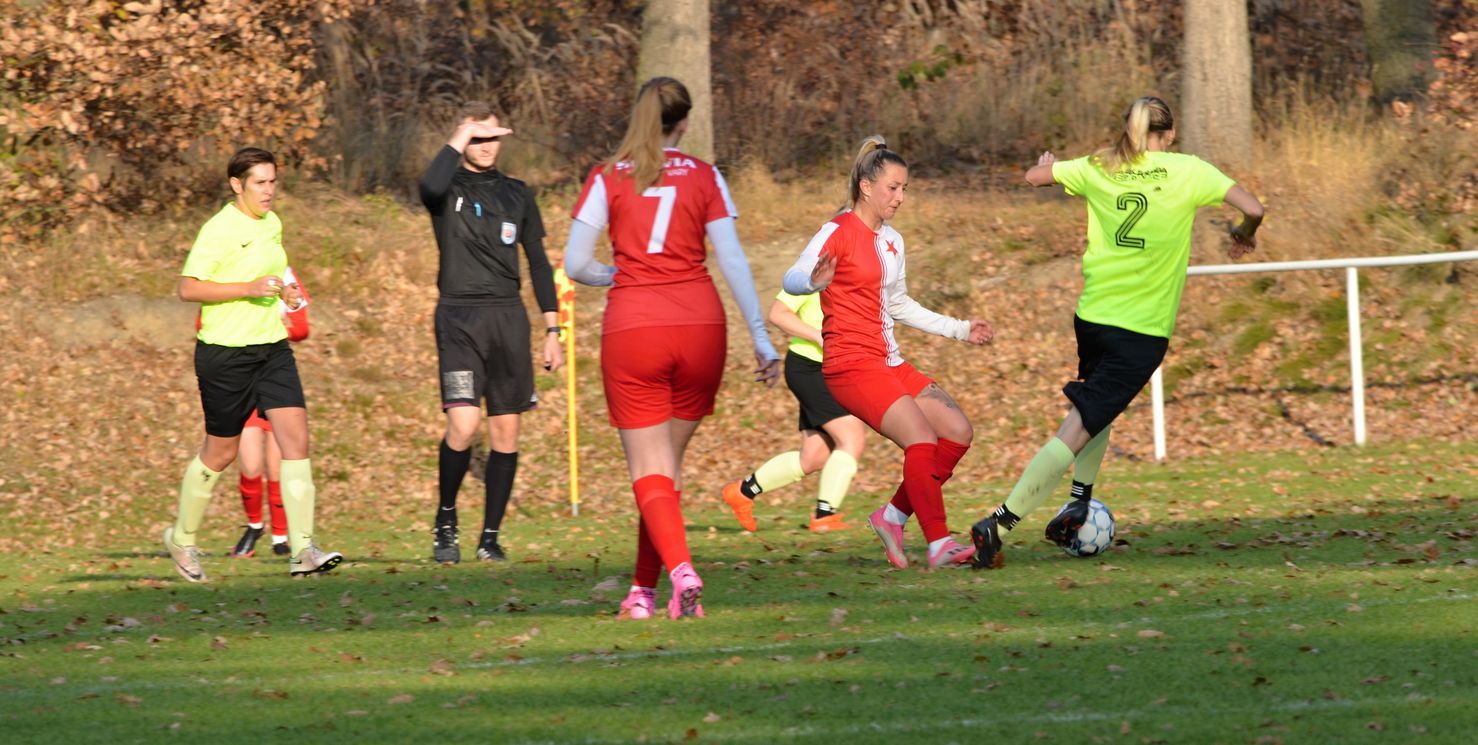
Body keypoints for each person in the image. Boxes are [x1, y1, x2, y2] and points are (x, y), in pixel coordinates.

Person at [969, 96, 1264, 569]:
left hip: (1093, 318)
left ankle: (1080, 501)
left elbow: (1033, 177)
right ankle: (999, 523)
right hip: (1141, 330)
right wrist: (1244, 232)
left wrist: (1047, 165)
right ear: (1170, 134)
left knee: (1096, 409)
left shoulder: (1099, 164)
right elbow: (1254, 207)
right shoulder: (1189, 170)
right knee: (1079, 424)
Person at [564, 77, 780, 620]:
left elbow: (575, 264)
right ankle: (642, 593)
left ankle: (681, 571)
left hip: (636, 328)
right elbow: (732, 259)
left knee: (650, 470)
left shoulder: (608, 176)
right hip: (701, 327)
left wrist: (614, 273)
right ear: (684, 121)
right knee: (665, 472)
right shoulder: (706, 175)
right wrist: (760, 337)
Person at [783, 135, 995, 571]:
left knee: (957, 432)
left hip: (888, 361)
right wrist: (812, 282)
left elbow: (900, 305)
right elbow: (792, 277)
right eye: (892, 188)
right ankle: (938, 543)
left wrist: (959, 328)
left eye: (904, 189)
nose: (900, 197)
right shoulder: (837, 231)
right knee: (921, 440)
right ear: (866, 187)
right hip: (849, 365)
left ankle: (892, 517)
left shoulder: (893, 241)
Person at [168, 146, 342, 581]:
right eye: (260, 183)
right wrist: (247, 287)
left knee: (296, 440)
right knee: (221, 452)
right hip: (225, 353)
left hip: (272, 349)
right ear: (237, 185)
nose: (269, 191)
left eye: (273, 182)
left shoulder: (272, 223)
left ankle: (302, 550)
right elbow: (188, 289)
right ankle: (182, 539)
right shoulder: (219, 229)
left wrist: (287, 294)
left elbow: (275, 274)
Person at [420, 102, 564, 565]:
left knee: (506, 431)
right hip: (459, 318)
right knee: (464, 425)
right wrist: (461, 133)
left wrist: (553, 328)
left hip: (507, 319)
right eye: (476, 139)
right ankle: (446, 519)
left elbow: (538, 263)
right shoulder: (446, 189)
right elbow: (428, 185)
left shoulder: (517, 193)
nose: (485, 147)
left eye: (491, 138)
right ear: (463, 139)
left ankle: (490, 538)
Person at [721, 290, 868, 533]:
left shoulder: (856, 276)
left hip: (834, 368)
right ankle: (824, 515)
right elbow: (778, 314)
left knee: (813, 458)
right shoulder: (810, 273)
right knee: (852, 439)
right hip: (810, 367)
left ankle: (743, 491)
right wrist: (819, 336)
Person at [229, 267, 311, 558]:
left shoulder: (285, 274)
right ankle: (254, 526)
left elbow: (301, 328)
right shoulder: (231, 271)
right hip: (241, 379)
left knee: (277, 467)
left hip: (275, 379)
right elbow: (206, 322)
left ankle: (280, 536)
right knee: (251, 466)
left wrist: (275, 329)